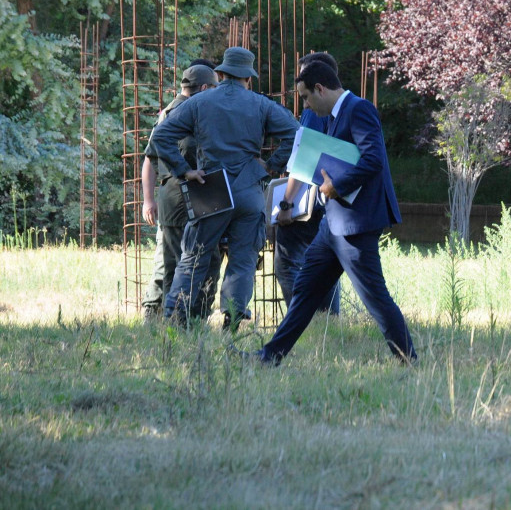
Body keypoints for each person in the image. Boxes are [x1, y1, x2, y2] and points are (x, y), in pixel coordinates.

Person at [256, 61, 415, 364]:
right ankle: (270, 356)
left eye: (306, 97)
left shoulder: (359, 109)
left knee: (374, 296)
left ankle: (409, 359)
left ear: (320, 88)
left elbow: (374, 160)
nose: (306, 105)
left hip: (355, 225)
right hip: (333, 225)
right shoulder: (331, 115)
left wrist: (336, 187)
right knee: (305, 289)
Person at [150, 46, 300, 329]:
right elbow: (295, 134)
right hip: (249, 190)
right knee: (243, 259)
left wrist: (185, 170)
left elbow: (162, 135)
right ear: (249, 78)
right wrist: (269, 166)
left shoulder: (199, 102)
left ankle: (175, 317)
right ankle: (233, 320)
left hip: (211, 187)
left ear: (220, 73)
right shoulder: (261, 104)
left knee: (194, 256)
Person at [140, 63, 221, 321]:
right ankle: (182, 320)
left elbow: (149, 159)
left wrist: (149, 200)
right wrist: (148, 200)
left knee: (175, 264)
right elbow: (153, 158)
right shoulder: (184, 113)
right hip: (183, 197)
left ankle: (173, 320)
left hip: (175, 198)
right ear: (205, 88)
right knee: (191, 263)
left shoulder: (170, 112)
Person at [272, 52, 342, 316]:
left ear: (318, 84)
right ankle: (327, 319)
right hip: (330, 200)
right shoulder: (343, 108)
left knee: (288, 262)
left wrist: (286, 203)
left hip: (308, 202)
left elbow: (305, 161)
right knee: (326, 265)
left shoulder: (315, 110)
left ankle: (303, 318)